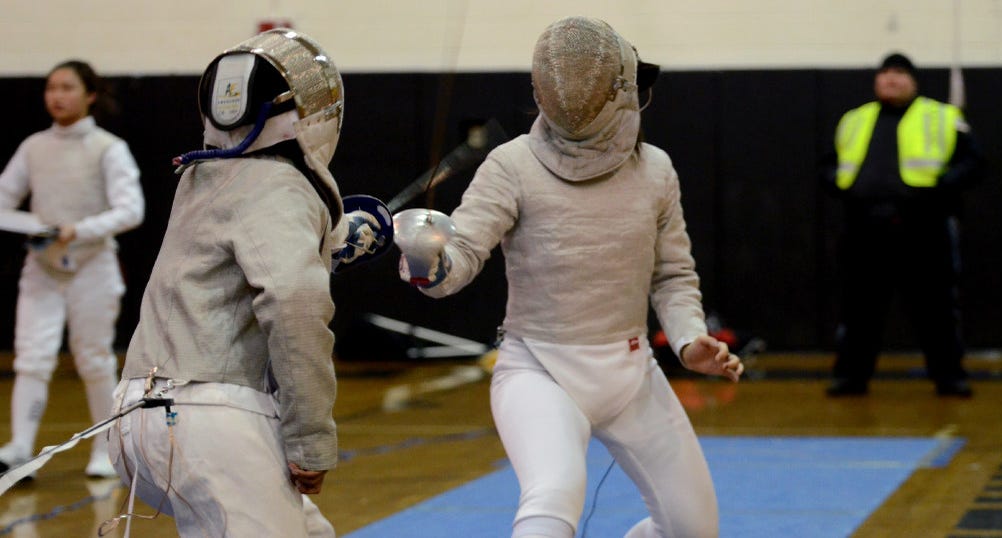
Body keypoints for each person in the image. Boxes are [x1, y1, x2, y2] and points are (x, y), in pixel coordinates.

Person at [394, 16, 743, 538]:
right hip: (539, 371)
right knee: (553, 500)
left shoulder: (655, 170)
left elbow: (672, 275)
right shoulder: (512, 165)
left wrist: (690, 340)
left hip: (632, 373)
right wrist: (427, 260)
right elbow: (458, 259)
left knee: (692, 529)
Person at [106, 29, 385, 536]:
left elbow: (239, 248)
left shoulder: (200, 179)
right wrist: (310, 440)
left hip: (135, 416)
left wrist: (333, 239)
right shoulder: (282, 186)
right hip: (209, 419)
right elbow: (295, 304)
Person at [0, 60, 144, 478]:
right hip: (43, 267)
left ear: (90, 95)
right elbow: (3, 200)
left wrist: (76, 230)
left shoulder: (108, 147)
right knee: (32, 357)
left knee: (94, 358)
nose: (57, 96)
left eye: (67, 87)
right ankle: (20, 450)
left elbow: (130, 210)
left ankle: (105, 450)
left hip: (93, 267)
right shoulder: (34, 146)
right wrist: (36, 226)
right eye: (51, 88)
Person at [822, 52, 986, 398]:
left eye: (898, 73)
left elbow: (974, 162)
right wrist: (837, 182)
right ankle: (851, 377)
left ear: (913, 81)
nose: (890, 79)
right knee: (860, 309)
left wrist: (941, 188)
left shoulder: (941, 116)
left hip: (922, 227)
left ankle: (949, 377)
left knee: (936, 308)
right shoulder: (855, 119)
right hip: (865, 229)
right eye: (884, 73)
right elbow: (829, 163)